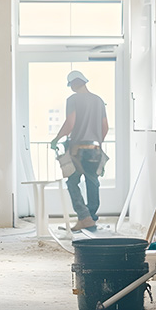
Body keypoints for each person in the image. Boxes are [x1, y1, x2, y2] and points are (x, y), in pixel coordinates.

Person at [50, 70, 109, 231]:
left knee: (72, 181)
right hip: (95, 148)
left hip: (77, 148)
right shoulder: (98, 100)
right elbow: (105, 127)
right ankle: (90, 218)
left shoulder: (73, 99)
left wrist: (56, 139)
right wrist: (97, 142)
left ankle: (84, 217)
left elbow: (70, 123)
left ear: (74, 84)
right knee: (92, 182)